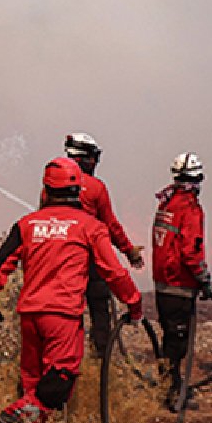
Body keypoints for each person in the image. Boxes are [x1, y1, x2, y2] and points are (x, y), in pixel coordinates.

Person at [0, 157, 142, 423]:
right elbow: (113, 271)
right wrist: (134, 302)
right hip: (62, 316)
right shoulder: (89, 226)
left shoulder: (27, 224)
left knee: (33, 382)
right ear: (78, 191)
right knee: (59, 381)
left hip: (29, 316)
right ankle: (14, 416)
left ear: (45, 191)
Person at [62, 133, 145, 357]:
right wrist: (129, 251)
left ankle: (70, 358)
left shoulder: (50, 188)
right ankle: (101, 359)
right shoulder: (95, 187)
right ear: (86, 159)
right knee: (100, 310)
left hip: (60, 264)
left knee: (68, 314)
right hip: (90, 262)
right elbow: (111, 225)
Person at [151, 152, 211, 411]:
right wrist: (203, 277)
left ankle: (169, 384)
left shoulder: (166, 203)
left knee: (169, 337)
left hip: (162, 282)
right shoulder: (189, 209)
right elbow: (190, 250)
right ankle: (173, 393)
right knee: (177, 342)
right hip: (179, 285)